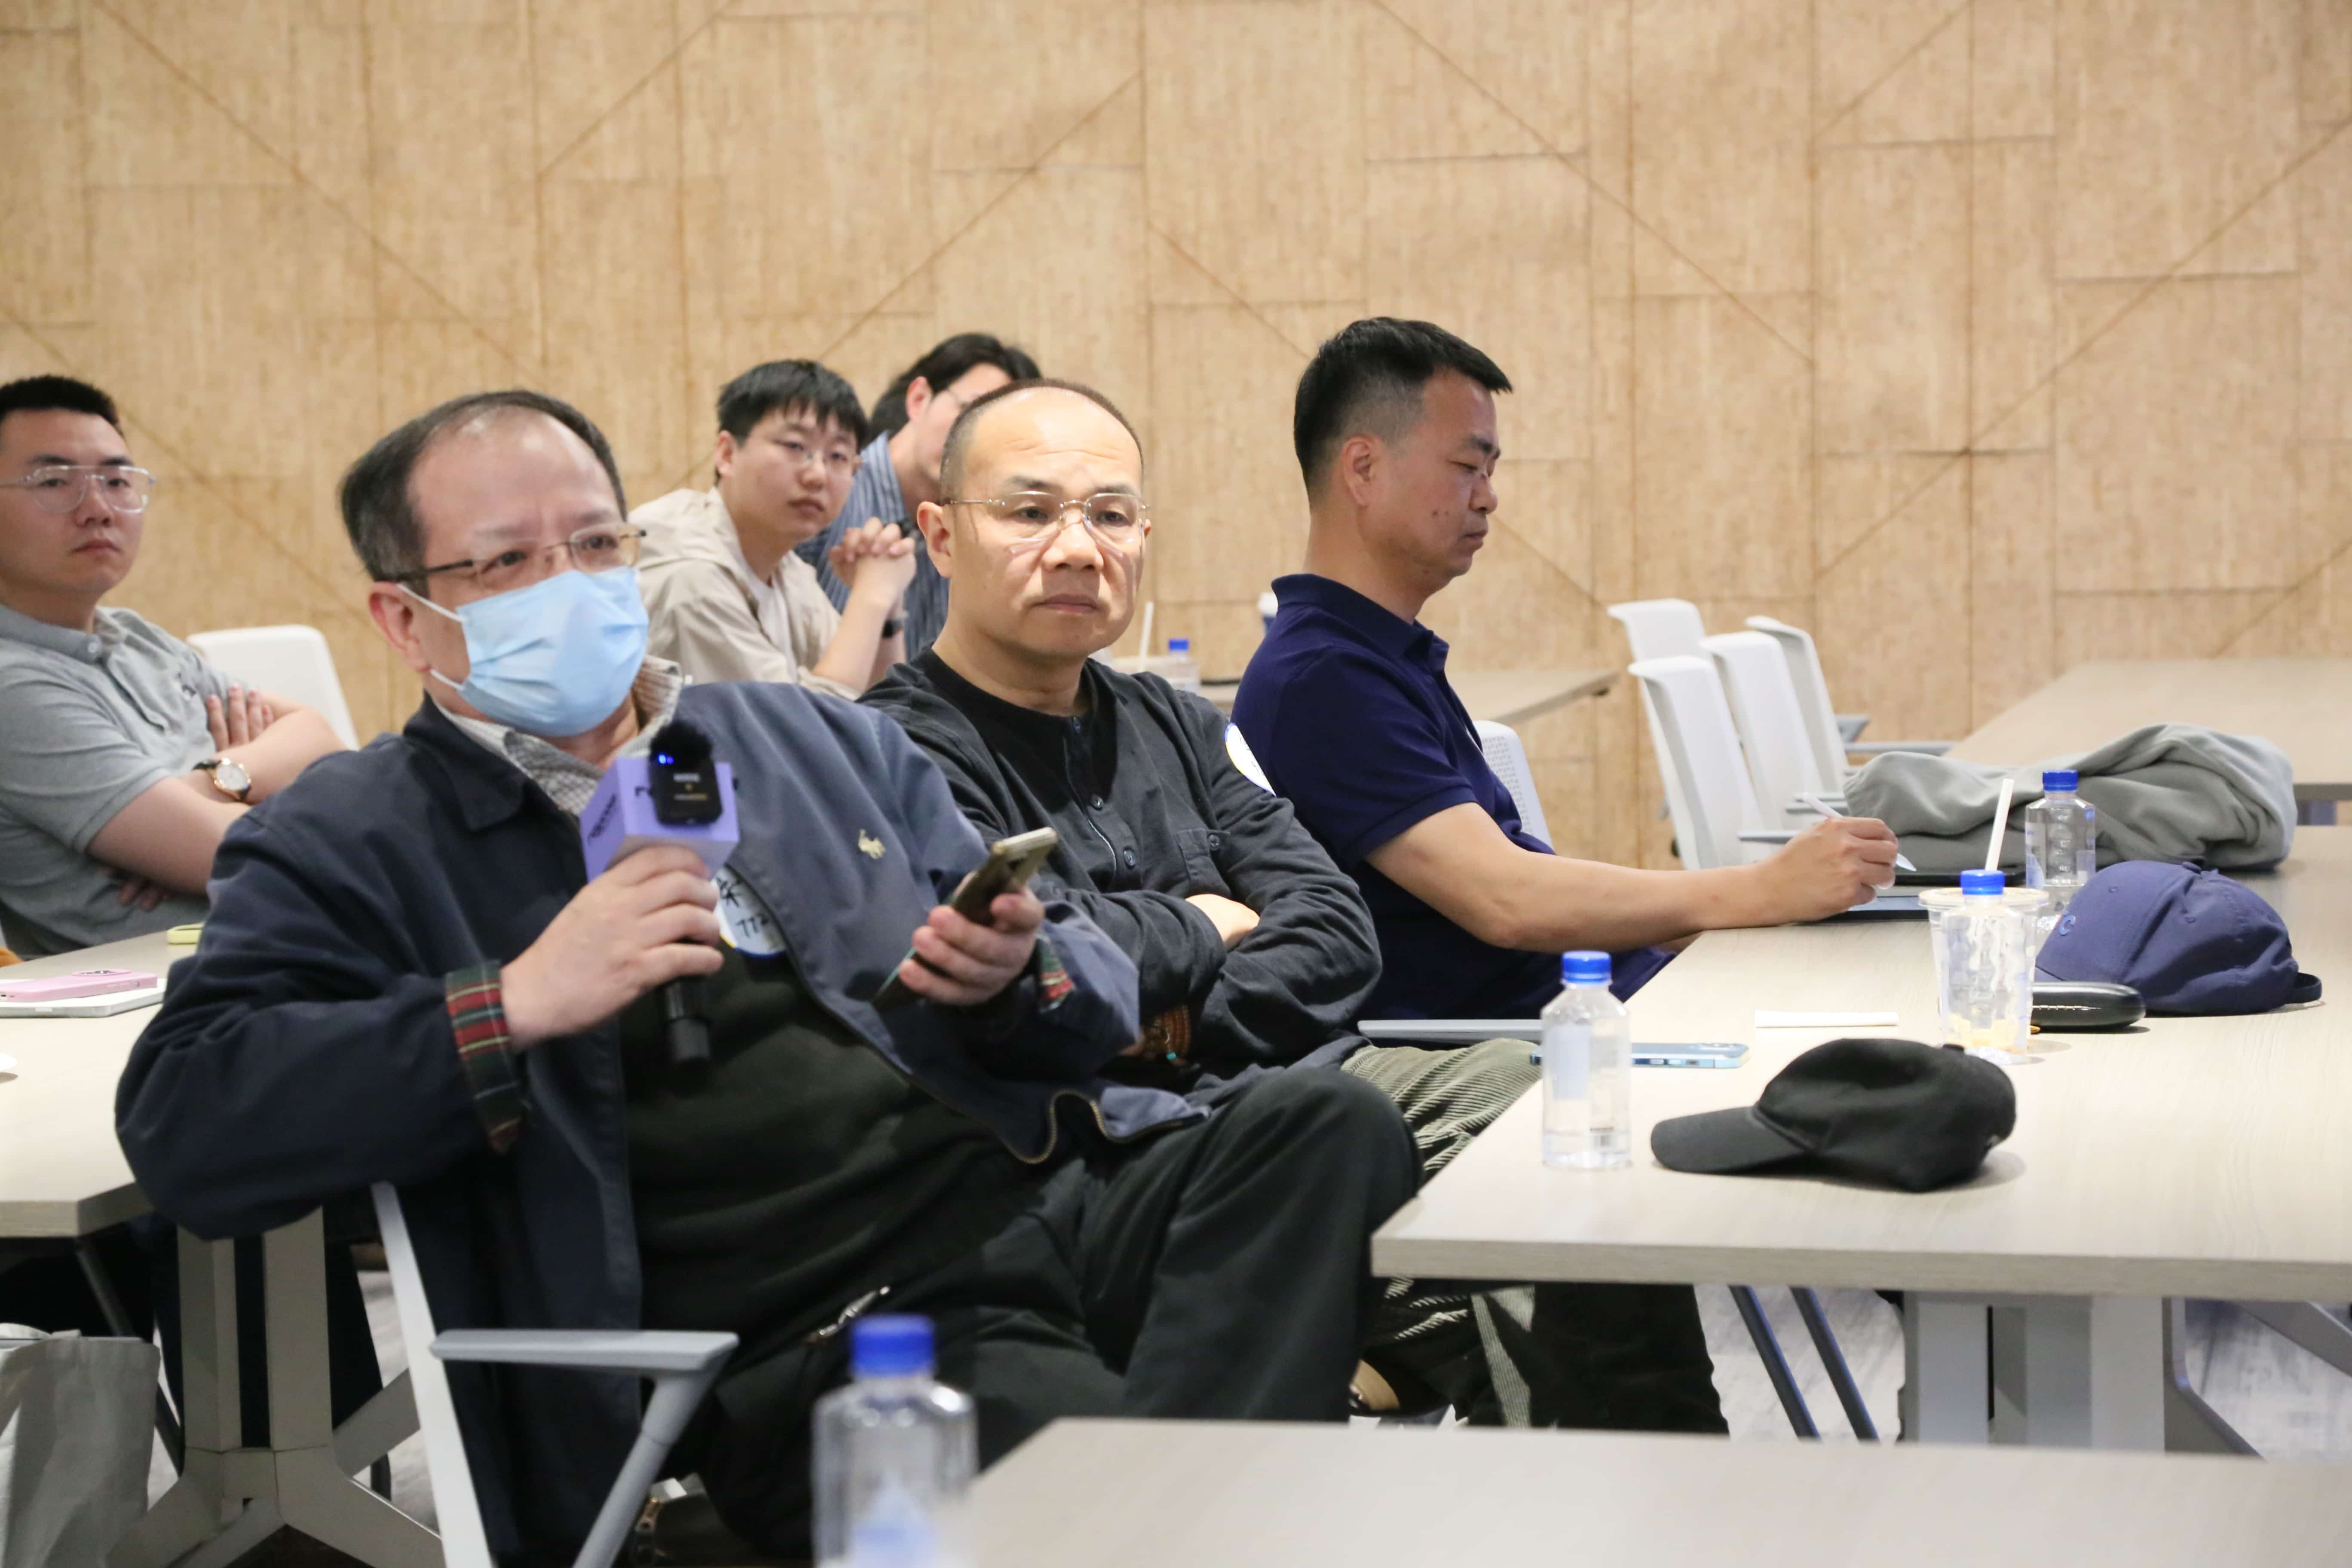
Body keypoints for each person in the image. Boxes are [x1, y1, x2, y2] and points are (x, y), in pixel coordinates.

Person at [116, 390, 1418, 1563]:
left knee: (1324, 1125)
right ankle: (1174, 1516)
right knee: (1105, 1476)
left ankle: (1169, 1518)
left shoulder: (802, 738)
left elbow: (1084, 971)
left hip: (1048, 1184)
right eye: (508, 561)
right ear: (405, 618)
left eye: (596, 543)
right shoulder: (355, 834)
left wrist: (1017, 975)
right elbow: (187, 1120)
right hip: (839, 1325)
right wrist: (513, 1004)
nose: (569, 583)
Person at [864, 378, 1726, 1431]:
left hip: (1309, 1102)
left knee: (1546, 1109)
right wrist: (1208, 919)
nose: (1079, 549)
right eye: (1031, 512)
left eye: (1111, 515)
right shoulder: (895, 752)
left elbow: (1334, 931)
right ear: (940, 536)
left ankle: (1647, 1482)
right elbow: (1042, 980)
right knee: (1521, 1249)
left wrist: (1165, 1019)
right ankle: (1640, 1473)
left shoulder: (1176, 722)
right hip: (1114, 1156)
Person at [1236, 318, 1900, 1023]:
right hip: (1557, 1055)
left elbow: (1525, 890)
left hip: (1613, 1010)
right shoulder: (1322, 681)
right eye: (1467, 467)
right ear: (1363, 469)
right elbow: (1507, 900)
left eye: (1491, 473)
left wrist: (1770, 896)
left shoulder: (1379, 655)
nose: (1487, 497)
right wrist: (1764, 889)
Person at [0, 374, 346, 955]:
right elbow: (234, 855)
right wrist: (252, 802)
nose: (98, 509)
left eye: (116, 481)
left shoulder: (137, 639)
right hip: (190, 986)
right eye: (54, 482)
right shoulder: (13, 686)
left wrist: (215, 782)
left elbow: (319, 738)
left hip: (295, 947)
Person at [634, 360, 916, 695]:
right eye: (795, 447)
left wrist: (889, 610)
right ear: (727, 454)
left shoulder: (786, 570)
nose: (817, 475)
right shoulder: (690, 574)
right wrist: (871, 596)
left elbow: (885, 711)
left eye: (838, 456)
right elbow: (803, 723)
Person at [796, 333, 1039, 658]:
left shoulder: (981, 528)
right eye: (970, 412)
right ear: (919, 399)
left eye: (1002, 433)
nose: (976, 442)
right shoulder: (826, 489)